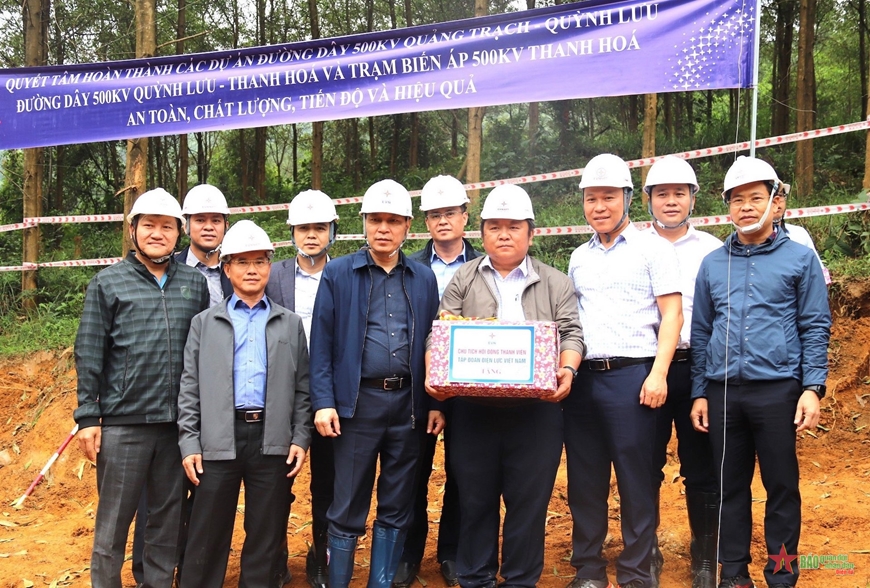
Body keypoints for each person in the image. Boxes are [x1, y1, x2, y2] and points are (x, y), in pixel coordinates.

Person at [426, 184, 585, 588]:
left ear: (531, 233)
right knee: (475, 501)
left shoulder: (555, 281)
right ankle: (475, 578)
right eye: (494, 227)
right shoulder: (463, 278)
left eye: (514, 227)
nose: (504, 235)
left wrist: (567, 369)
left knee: (528, 505)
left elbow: (571, 333)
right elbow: (440, 334)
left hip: (537, 413)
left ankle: (519, 580)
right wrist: (434, 376)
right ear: (482, 233)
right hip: (474, 413)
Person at [690, 156, 831, 588]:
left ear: (777, 203)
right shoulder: (712, 263)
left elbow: (815, 325)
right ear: (727, 208)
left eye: (756, 198)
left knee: (781, 486)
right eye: (737, 200)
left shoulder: (800, 260)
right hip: (724, 392)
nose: (746, 207)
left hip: (778, 392)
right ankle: (733, 574)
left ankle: (782, 575)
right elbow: (701, 331)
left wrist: (812, 388)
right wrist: (699, 391)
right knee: (729, 487)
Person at [309, 179, 443, 588]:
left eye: (393, 221)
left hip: (408, 405)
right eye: (375, 220)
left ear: (407, 226)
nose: (383, 228)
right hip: (357, 405)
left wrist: (436, 403)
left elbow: (434, 343)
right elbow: (322, 343)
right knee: (347, 502)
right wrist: (323, 402)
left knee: (398, 502)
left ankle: (380, 583)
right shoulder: (338, 274)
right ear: (364, 222)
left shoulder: (423, 278)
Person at [74, 188, 210, 588]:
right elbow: (89, 350)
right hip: (123, 425)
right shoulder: (108, 283)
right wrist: (88, 416)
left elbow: (203, 352)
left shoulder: (194, 284)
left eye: (167, 226)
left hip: (176, 428)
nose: (157, 233)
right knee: (113, 524)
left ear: (179, 233)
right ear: (132, 229)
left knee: (166, 523)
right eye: (149, 225)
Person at [564, 153, 683, 588]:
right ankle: (589, 569)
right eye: (591, 198)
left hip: (633, 378)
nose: (599, 207)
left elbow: (672, 315)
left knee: (636, 478)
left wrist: (659, 373)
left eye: (608, 197)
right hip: (583, 381)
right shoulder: (578, 257)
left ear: (628, 198)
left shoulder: (654, 248)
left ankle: (635, 571)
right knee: (585, 479)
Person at [177, 219, 312, 588]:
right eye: (242, 261)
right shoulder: (205, 323)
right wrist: (190, 442)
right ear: (227, 268)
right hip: (217, 440)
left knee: (265, 535)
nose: (252, 269)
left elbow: (303, 388)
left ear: (270, 266)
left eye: (260, 261)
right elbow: (189, 387)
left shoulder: (289, 323)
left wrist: (300, 437)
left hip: (272, 440)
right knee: (207, 531)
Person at [131, 182, 234, 587]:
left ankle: (191, 571)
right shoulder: (165, 269)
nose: (208, 227)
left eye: (216, 220)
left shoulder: (238, 267)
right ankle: (150, 574)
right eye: (200, 219)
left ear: (225, 225)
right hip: (167, 400)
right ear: (186, 225)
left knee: (206, 492)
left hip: (221, 401)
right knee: (157, 496)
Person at [396, 175, 481, 588]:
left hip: (472, 388)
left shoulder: (488, 264)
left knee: (464, 472)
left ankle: (452, 552)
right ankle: (408, 553)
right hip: (421, 385)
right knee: (413, 471)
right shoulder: (409, 268)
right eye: (434, 214)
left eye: (450, 212)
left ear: (465, 216)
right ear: (424, 222)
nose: (443, 220)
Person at [642, 156, 722, 588]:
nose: (670, 201)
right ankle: (647, 551)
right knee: (644, 465)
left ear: (693, 198)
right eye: (662, 194)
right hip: (646, 369)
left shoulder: (712, 249)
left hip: (697, 368)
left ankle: (704, 558)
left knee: (702, 467)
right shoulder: (634, 245)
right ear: (648, 200)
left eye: (679, 193)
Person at [265, 189, 340, 588]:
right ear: (291, 232)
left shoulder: (344, 273)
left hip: (330, 395)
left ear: (332, 231)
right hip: (282, 394)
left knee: (328, 481)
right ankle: (274, 556)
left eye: (319, 227)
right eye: (303, 228)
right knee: (276, 481)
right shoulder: (273, 275)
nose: (311, 235)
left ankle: (322, 554)